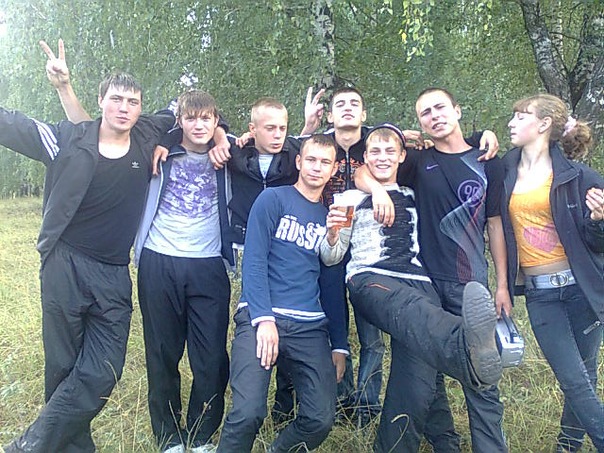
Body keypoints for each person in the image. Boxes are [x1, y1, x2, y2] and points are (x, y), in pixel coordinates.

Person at [0, 40, 176, 452]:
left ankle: (29, 445)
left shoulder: (147, 134)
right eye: (116, 99)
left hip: (113, 273)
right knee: (63, 368)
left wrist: (217, 134)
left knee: (104, 371)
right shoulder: (67, 139)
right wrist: (63, 87)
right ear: (100, 101)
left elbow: (190, 110)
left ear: (140, 108)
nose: (124, 108)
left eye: (132, 102)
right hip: (65, 264)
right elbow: (11, 123)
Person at [303, 86, 500, 428]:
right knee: (401, 317)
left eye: (389, 151)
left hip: (418, 277)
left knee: (419, 372)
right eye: (375, 152)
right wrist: (333, 233)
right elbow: (332, 255)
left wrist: (481, 136)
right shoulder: (348, 198)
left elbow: (449, 151)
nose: (382, 157)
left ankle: (432, 440)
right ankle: (466, 343)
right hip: (372, 276)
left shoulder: (415, 187)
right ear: (366, 158)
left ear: (401, 156)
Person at [356, 87, 510, 452]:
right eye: (425, 113)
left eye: (440, 107)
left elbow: (495, 224)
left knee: (482, 379)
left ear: (457, 110)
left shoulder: (488, 160)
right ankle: (446, 443)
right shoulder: (417, 161)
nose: (434, 116)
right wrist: (377, 190)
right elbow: (368, 166)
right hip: (423, 282)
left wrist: (502, 284)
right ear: (420, 124)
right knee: (428, 374)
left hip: (469, 284)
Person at [216, 134, 340, 453]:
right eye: (311, 160)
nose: (316, 167)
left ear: (333, 169)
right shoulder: (273, 199)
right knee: (248, 413)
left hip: (309, 326)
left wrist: (340, 344)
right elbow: (254, 259)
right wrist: (264, 318)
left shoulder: (330, 219)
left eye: (324, 162)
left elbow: (331, 283)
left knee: (320, 418)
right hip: (261, 317)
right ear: (298, 162)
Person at [132, 90, 234, 453]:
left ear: (217, 120)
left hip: (208, 264)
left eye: (207, 118)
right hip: (159, 259)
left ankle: (202, 435)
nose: (199, 125)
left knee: (211, 358)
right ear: (179, 121)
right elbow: (143, 124)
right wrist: (168, 137)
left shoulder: (228, 154)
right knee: (162, 353)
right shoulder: (160, 150)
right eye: (190, 118)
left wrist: (223, 136)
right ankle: (169, 436)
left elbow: (272, 145)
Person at [502, 94, 603, 452]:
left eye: (521, 116)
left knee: (584, 376)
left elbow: (596, 243)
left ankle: (568, 446)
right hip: (542, 295)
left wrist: (599, 220)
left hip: (583, 291)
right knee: (573, 378)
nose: (512, 122)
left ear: (544, 124)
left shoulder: (580, 176)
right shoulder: (503, 171)